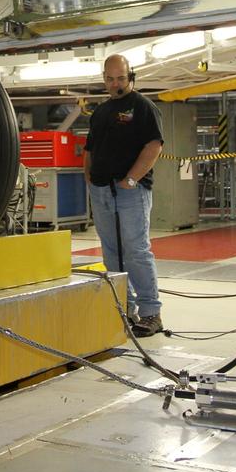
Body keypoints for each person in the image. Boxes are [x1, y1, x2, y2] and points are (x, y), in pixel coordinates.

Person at [84, 54, 165, 338]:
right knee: (111, 251)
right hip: (102, 190)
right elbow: (90, 149)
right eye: (110, 78)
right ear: (104, 78)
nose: (115, 83)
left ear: (131, 77)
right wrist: (90, 178)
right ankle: (123, 308)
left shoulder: (143, 107)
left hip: (130, 192)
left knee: (136, 250)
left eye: (120, 78)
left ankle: (151, 313)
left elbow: (154, 146)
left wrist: (132, 178)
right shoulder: (101, 111)